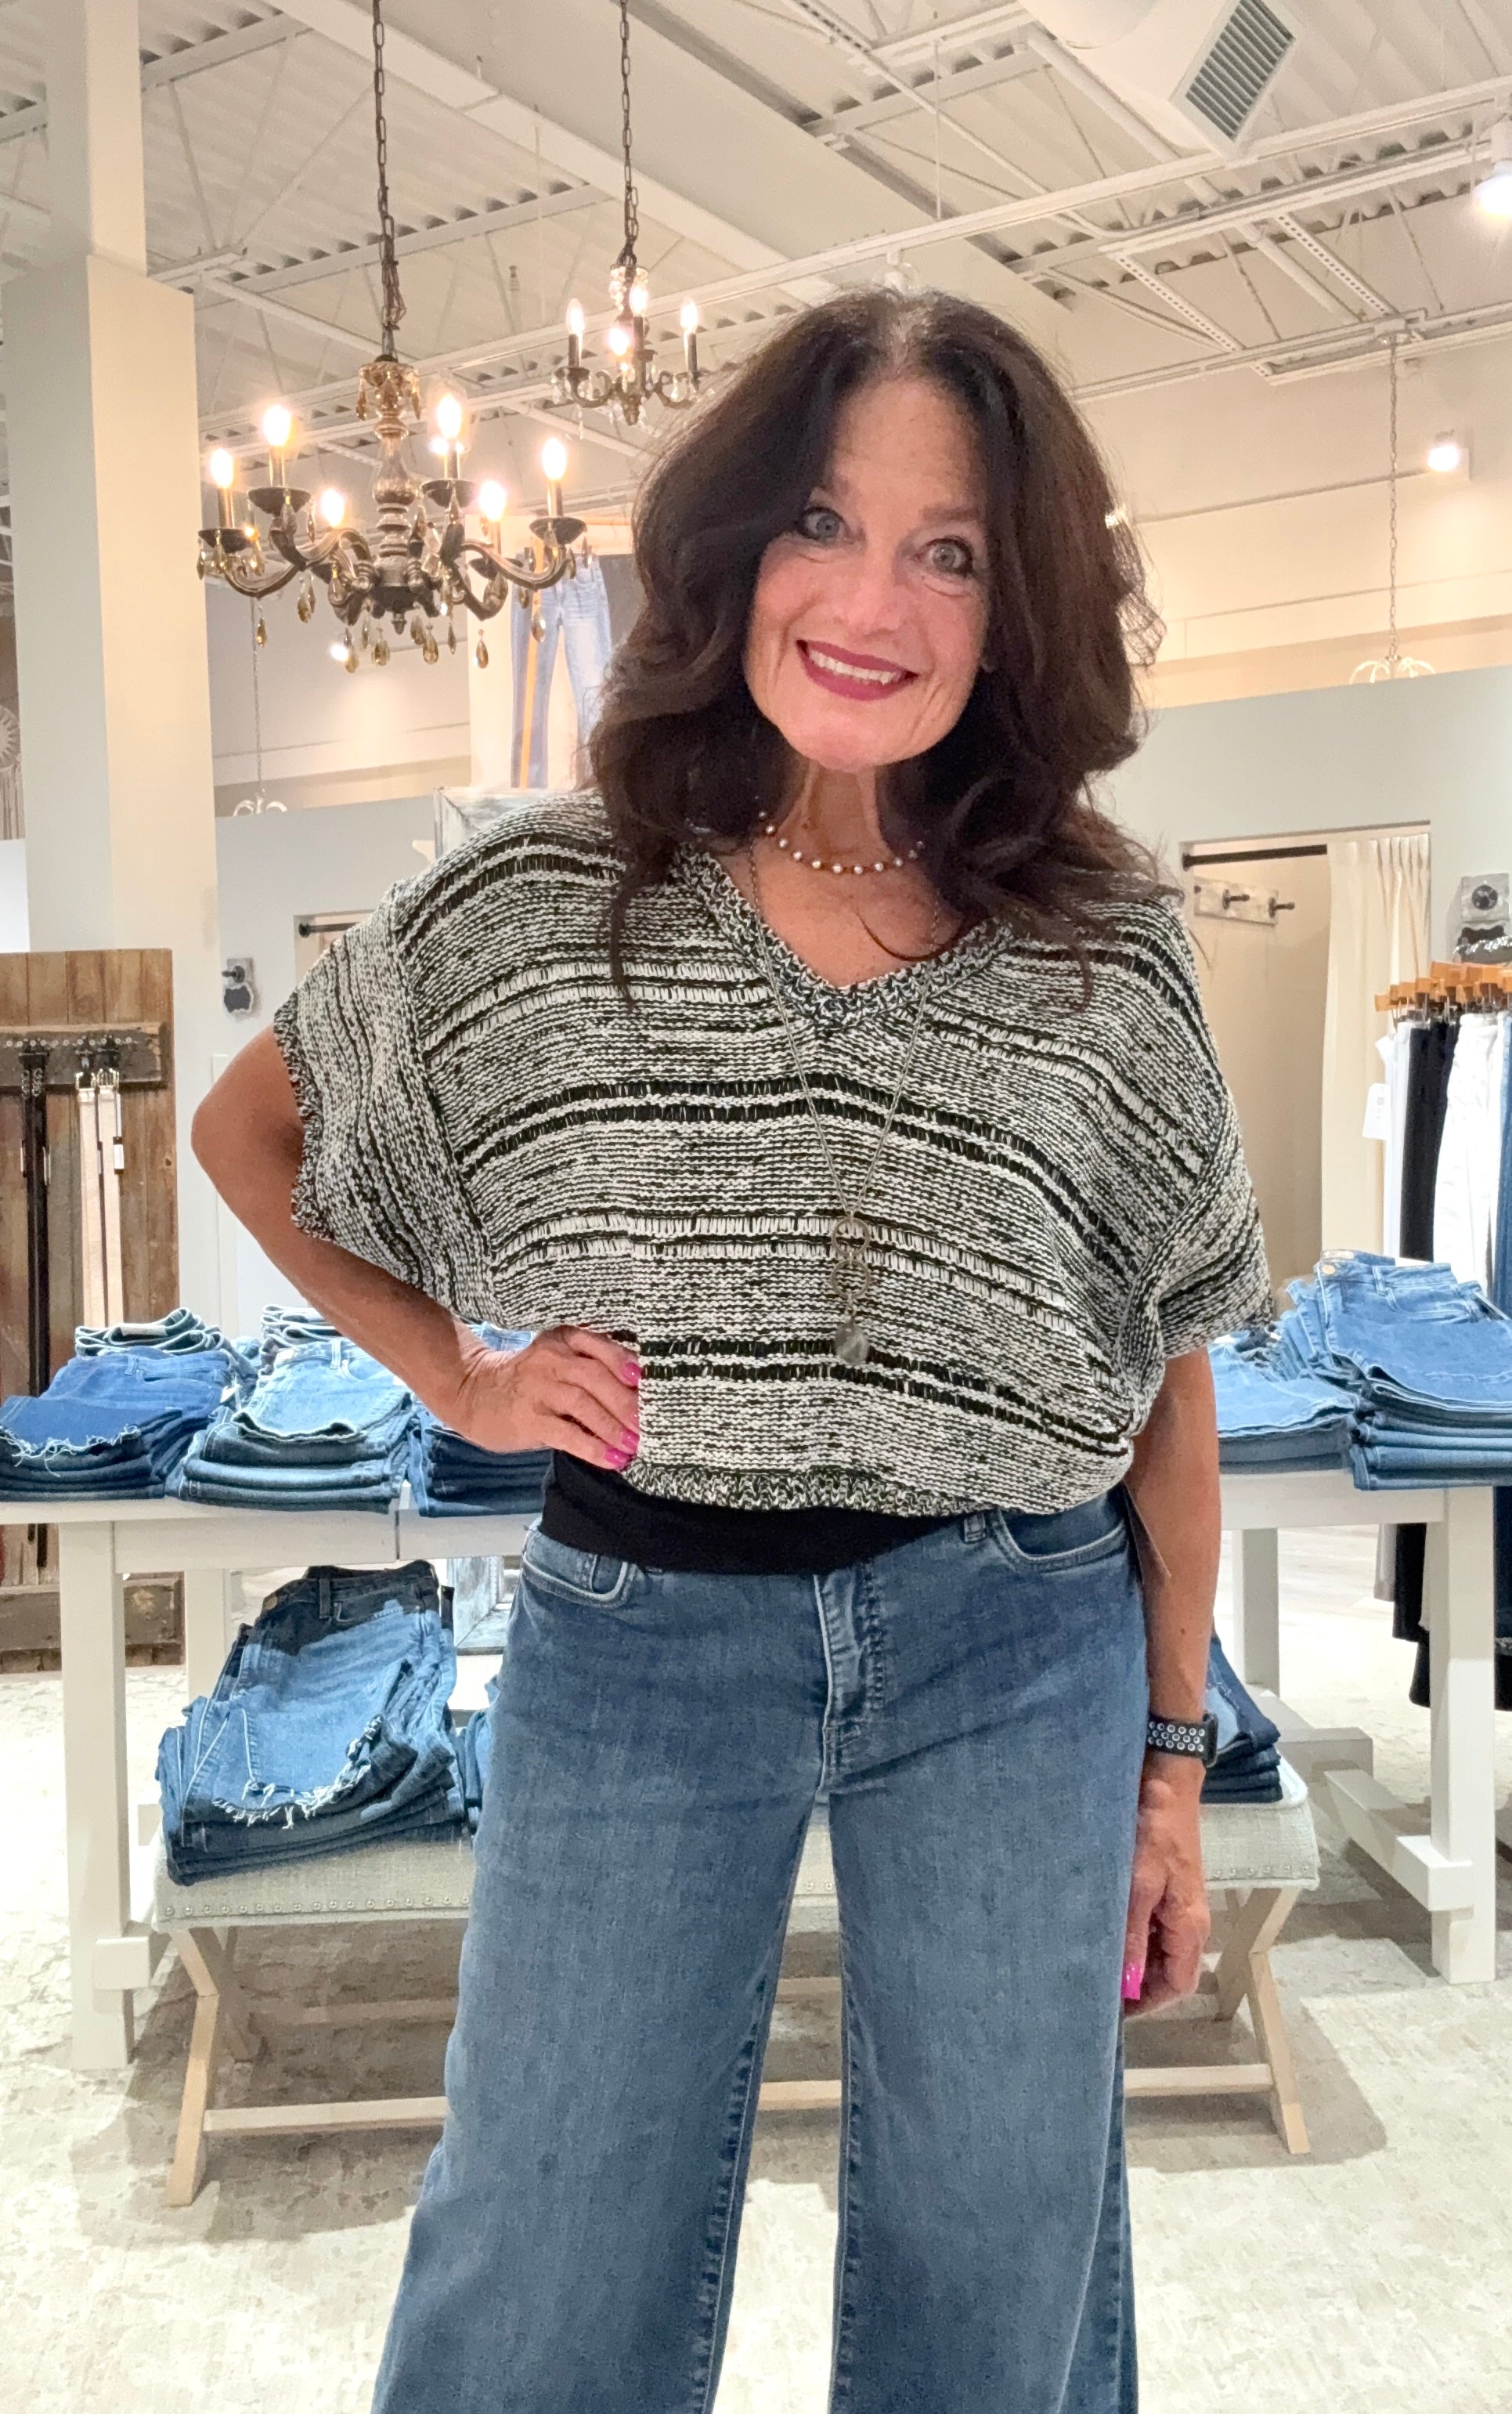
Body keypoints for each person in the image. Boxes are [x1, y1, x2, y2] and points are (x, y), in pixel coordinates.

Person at [193, 286, 1271, 2414]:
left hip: (1018, 1637)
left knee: (1000, 2252)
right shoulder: (542, 901)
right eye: (821, 523)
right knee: (545, 2245)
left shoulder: (1100, 937)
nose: (869, 602)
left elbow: (1165, 1373)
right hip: (641, 1629)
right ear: (728, 547)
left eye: (947, 551)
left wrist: (1170, 1768)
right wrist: (457, 1378)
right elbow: (254, 1135)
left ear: (1015, 606)